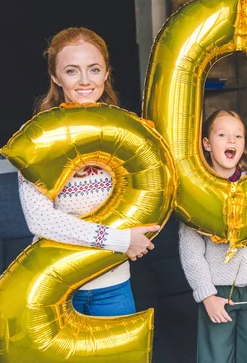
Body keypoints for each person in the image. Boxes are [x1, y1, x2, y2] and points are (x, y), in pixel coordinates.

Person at [18, 27, 159, 316]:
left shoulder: (130, 135)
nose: (85, 81)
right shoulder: (36, 138)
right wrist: (121, 241)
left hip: (114, 286)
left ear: (106, 73)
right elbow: (40, 220)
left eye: (94, 69)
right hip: (55, 286)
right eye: (72, 71)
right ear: (55, 77)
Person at [178, 110, 247, 363]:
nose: (231, 141)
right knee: (216, 356)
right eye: (222, 135)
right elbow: (191, 252)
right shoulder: (198, 192)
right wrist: (206, 295)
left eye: (238, 136)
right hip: (217, 293)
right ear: (207, 144)